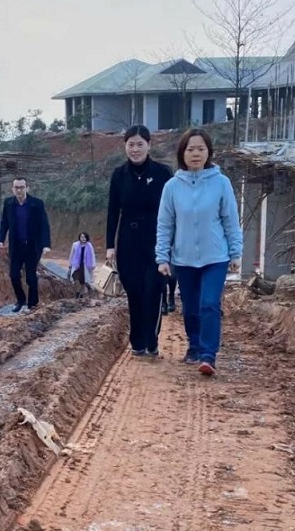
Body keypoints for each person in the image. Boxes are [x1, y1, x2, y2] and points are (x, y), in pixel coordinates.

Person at [156, 128, 242, 376]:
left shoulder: (221, 183)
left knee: (209, 304)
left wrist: (235, 252)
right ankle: (194, 345)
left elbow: (230, 220)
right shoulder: (172, 187)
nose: (195, 154)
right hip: (184, 259)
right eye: (190, 149)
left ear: (208, 153)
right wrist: (162, 257)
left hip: (215, 257)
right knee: (191, 307)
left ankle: (208, 355)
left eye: (201, 149)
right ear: (182, 153)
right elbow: (165, 224)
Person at [106, 125, 172, 357]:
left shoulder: (163, 173)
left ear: (149, 145)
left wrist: (171, 243)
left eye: (140, 144)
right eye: (131, 144)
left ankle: (151, 339)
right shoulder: (119, 175)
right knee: (134, 292)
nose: (135, 149)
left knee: (153, 290)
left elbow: (172, 210)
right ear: (125, 146)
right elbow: (113, 211)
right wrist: (110, 245)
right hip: (128, 240)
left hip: (156, 240)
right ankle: (137, 341)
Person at [0, 177, 52, 312]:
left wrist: (45, 244)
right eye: (16, 187)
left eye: (21, 187)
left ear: (27, 188)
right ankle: (21, 300)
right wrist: (0, 239)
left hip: (32, 246)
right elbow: (4, 223)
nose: (19, 190)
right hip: (16, 246)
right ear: (12, 189)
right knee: (14, 275)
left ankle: (33, 304)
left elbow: (44, 225)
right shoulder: (8, 203)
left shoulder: (36, 204)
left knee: (31, 276)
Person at [68, 232, 96, 298]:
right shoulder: (75, 245)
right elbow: (71, 255)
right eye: (81, 237)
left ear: (87, 238)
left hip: (85, 266)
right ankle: (77, 292)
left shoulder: (89, 245)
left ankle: (81, 294)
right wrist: (70, 264)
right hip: (76, 265)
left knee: (83, 281)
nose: (83, 238)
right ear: (79, 238)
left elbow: (92, 255)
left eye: (84, 237)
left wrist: (93, 264)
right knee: (76, 279)